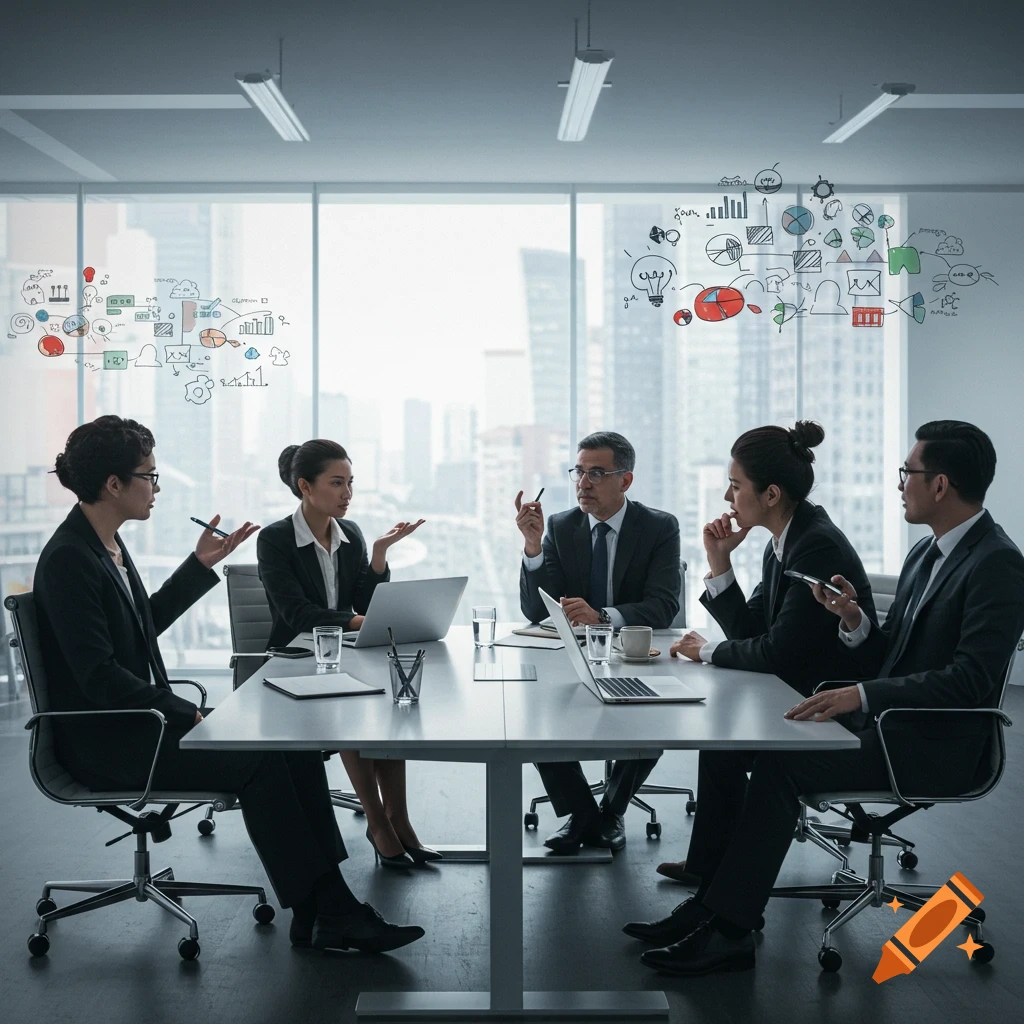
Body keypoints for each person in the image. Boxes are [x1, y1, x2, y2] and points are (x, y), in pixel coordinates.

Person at [624, 420, 1024, 976]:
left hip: (937, 744)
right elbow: (889, 655)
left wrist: (859, 694)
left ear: (940, 485)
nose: (899, 483)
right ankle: (714, 906)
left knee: (779, 766)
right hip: (886, 724)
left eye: (907, 472)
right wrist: (856, 622)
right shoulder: (925, 555)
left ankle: (731, 929)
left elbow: (970, 682)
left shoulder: (996, 563)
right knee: (728, 747)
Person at [34, 416, 423, 954]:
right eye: (149, 476)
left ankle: (319, 910)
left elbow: (139, 628)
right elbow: (98, 676)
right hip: (109, 743)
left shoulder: (105, 548)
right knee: (259, 759)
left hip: (136, 725)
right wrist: (183, 711)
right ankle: (331, 909)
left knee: (294, 749)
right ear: (113, 484)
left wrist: (198, 567)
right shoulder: (69, 560)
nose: (156, 487)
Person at [654, 421, 876, 885]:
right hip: (793, 691)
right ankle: (707, 868)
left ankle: (716, 879)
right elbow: (755, 630)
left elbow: (774, 652)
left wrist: (709, 650)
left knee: (725, 742)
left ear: (771, 494)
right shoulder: (784, 543)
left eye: (735, 486)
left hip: (826, 704)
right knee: (720, 747)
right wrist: (719, 563)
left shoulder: (813, 544)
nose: (727, 498)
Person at [257, 440, 435, 868]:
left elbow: (363, 602)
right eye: (336, 483)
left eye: (350, 483)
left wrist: (378, 555)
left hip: (343, 654)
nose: (347, 493)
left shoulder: (350, 534)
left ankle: (400, 820)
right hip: (294, 660)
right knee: (356, 709)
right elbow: (297, 614)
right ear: (305, 486)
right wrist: (361, 624)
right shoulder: (276, 539)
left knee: (388, 708)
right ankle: (378, 822)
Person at [516, 431, 681, 854]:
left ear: (625, 481)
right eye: (579, 471)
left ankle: (612, 809)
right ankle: (581, 811)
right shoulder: (560, 525)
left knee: (653, 717)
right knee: (536, 710)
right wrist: (533, 547)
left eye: (596, 473)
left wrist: (603, 618)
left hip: (635, 650)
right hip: (573, 655)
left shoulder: (659, 527)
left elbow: (663, 606)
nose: (582, 483)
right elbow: (536, 610)